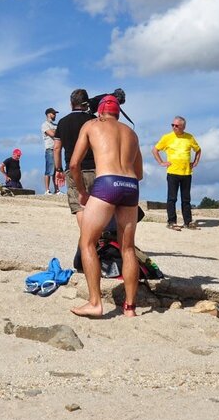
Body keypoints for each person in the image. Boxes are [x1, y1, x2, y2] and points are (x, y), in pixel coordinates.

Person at [69, 95, 143, 318]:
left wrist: (82, 191)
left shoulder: (92, 125)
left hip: (107, 182)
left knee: (87, 242)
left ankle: (95, 303)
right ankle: (130, 308)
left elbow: (74, 163)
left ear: (100, 112)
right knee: (127, 248)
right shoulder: (131, 133)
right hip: (130, 185)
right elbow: (139, 173)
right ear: (118, 113)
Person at [153, 116, 202, 231]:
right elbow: (155, 150)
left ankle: (188, 222)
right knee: (172, 198)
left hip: (186, 173)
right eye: (172, 125)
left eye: (177, 126)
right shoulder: (167, 137)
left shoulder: (189, 137)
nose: (174, 127)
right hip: (172, 172)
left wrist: (195, 162)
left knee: (186, 199)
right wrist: (161, 162)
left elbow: (198, 150)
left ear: (183, 127)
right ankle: (171, 222)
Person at [53, 89, 96, 220]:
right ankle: (96, 238)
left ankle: (85, 239)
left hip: (71, 169)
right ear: (86, 103)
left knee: (79, 206)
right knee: (95, 206)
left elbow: (56, 148)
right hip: (93, 168)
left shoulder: (62, 122)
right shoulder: (94, 121)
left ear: (71, 103)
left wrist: (58, 169)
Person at [42, 108, 59, 194]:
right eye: (53, 113)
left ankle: (57, 190)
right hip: (50, 149)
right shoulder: (45, 125)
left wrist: (55, 131)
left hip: (57, 150)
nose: (55, 115)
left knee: (57, 170)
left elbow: (60, 133)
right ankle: (47, 190)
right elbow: (53, 134)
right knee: (49, 170)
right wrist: (55, 132)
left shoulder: (55, 125)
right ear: (48, 114)